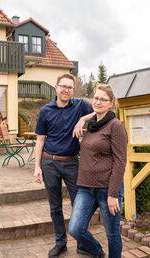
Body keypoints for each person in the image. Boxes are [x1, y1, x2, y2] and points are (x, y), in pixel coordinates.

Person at [34, 73, 94, 258]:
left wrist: (83, 119)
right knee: (55, 206)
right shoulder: (45, 111)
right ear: (56, 87)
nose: (66, 90)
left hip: (72, 163)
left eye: (69, 87)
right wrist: (37, 167)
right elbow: (40, 140)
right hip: (49, 162)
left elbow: (103, 110)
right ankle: (60, 243)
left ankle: (82, 243)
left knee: (80, 205)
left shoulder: (80, 105)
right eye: (63, 86)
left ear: (73, 90)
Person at [68, 84, 127, 258]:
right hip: (85, 187)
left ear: (111, 103)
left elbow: (120, 161)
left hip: (106, 189)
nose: (98, 102)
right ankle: (97, 252)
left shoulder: (115, 126)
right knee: (75, 228)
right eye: (96, 98)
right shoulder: (92, 124)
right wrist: (82, 120)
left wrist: (113, 193)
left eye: (103, 99)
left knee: (112, 234)